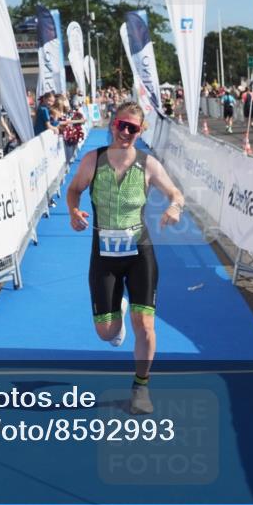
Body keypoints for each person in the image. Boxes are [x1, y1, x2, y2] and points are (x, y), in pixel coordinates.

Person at [65, 102, 185, 416]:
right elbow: (74, 190)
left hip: (139, 252)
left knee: (144, 324)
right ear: (113, 124)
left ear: (141, 131)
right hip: (104, 255)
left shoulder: (148, 164)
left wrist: (175, 207)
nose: (127, 132)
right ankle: (117, 308)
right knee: (107, 332)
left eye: (134, 128)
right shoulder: (93, 160)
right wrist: (73, 211)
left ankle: (141, 387)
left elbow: (176, 193)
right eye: (122, 125)